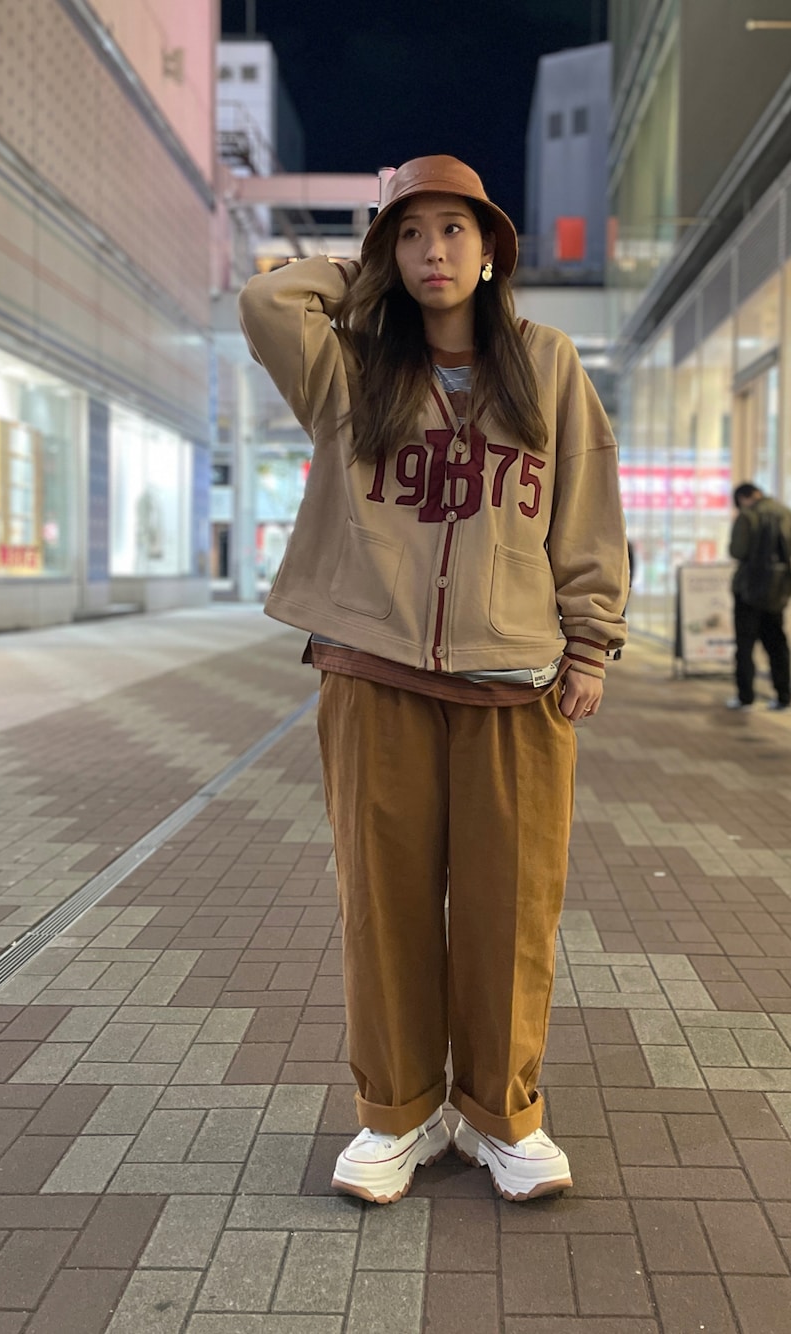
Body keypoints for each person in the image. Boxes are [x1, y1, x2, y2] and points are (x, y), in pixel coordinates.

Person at [238, 156, 628, 1206]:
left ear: (492, 247)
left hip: (516, 687)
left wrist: (590, 643)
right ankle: (396, 1113)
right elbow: (266, 303)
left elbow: (586, 507)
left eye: (453, 229)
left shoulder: (545, 363)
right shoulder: (352, 367)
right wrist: (360, 274)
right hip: (376, 677)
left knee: (512, 913)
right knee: (385, 908)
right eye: (409, 235)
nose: (433, 252)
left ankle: (503, 1116)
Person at [727, 481, 791, 711]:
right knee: (777, 643)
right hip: (776, 589)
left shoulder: (747, 516)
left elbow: (737, 551)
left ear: (743, 499)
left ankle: (746, 697)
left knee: (745, 645)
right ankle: (783, 697)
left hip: (748, 588)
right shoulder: (787, 514)